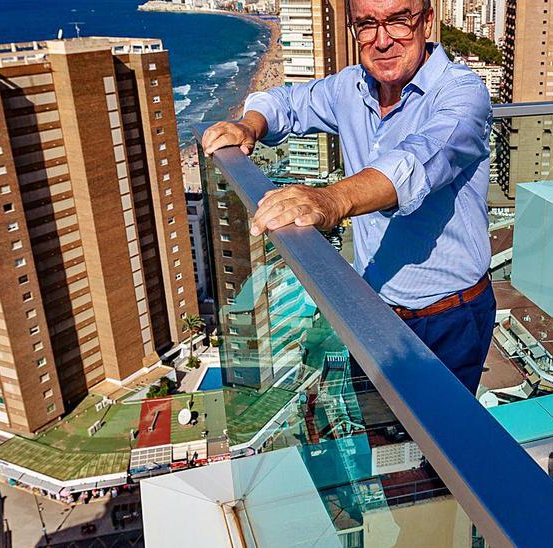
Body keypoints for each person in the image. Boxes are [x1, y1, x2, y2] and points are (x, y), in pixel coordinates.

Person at [201, 0, 495, 393]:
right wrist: (249, 126)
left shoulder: (461, 92)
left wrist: (330, 200)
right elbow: (284, 102)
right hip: (374, 308)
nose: (382, 39)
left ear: (427, 20)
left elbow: (418, 161)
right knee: (381, 441)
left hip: (450, 317)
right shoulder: (350, 87)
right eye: (367, 24)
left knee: (443, 445)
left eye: (398, 21)